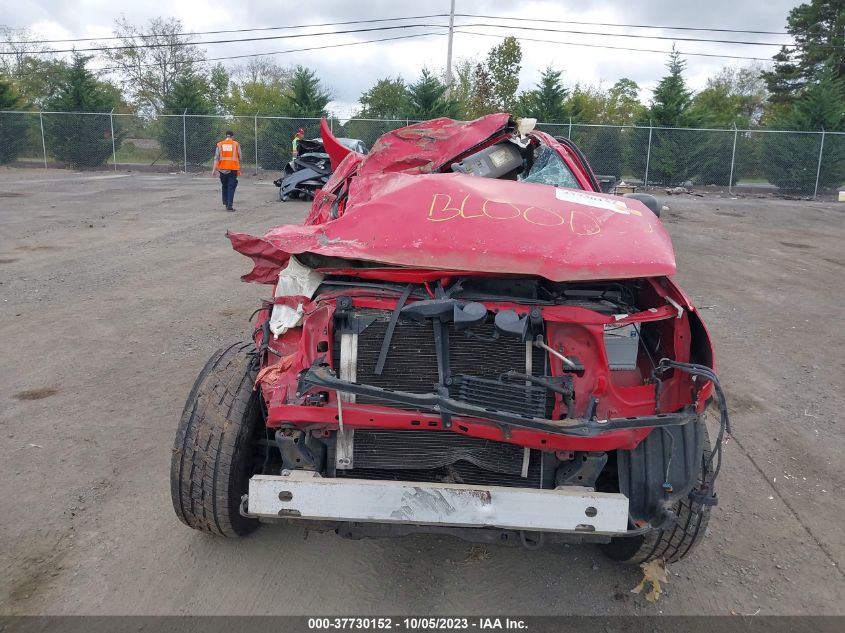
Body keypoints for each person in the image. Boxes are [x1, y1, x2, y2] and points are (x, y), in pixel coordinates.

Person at [212, 130, 241, 212]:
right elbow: (240, 156)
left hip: (222, 169)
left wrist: (214, 170)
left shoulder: (220, 144)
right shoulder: (236, 144)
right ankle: (229, 205)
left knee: (224, 185)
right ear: (232, 136)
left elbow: (216, 158)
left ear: (226, 136)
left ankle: (225, 202)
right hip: (232, 169)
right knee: (231, 187)